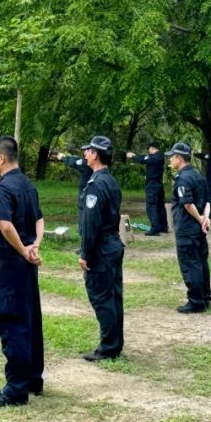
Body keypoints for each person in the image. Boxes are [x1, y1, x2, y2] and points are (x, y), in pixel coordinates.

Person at [0, 135, 44, 407]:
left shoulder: (2, 188)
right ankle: (33, 378)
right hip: (26, 264)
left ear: (1, 158)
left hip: (9, 266)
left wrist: (22, 250)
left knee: (12, 323)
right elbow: (39, 219)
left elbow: (5, 226)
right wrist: (33, 247)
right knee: (30, 319)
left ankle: (16, 388)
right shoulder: (27, 185)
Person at [78, 136, 124, 361]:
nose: (85, 154)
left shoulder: (96, 184)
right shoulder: (111, 180)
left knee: (101, 296)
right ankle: (114, 343)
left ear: (95, 154)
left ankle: (108, 347)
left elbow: (91, 223)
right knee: (114, 295)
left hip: (102, 248)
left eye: (88, 151)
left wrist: (85, 253)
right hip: (113, 243)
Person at [165, 142, 211, 312]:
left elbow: (187, 204)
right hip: (198, 229)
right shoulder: (198, 174)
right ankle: (205, 297)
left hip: (187, 227)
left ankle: (196, 301)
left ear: (179, 157)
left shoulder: (183, 178)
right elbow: (207, 200)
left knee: (190, 264)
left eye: (172, 156)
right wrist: (206, 218)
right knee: (201, 262)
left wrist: (201, 219)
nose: (170, 159)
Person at [125, 141, 168, 235]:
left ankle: (155, 229)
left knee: (151, 206)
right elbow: (145, 158)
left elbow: (144, 159)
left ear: (152, 148)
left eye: (149, 149)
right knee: (160, 206)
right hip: (158, 184)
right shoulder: (160, 156)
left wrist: (133, 156)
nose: (149, 151)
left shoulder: (155, 157)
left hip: (152, 185)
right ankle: (163, 226)